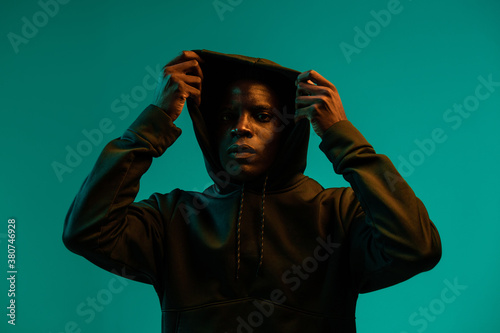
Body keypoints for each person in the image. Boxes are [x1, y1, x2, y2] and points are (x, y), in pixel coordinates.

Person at [63, 49, 442, 332]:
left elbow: (416, 248)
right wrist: (155, 120)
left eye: (262, 116)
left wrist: (340, 134)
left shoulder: (339, 213)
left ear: (290, 128)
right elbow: (87, 231)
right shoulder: (173, 217)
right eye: (227, 116)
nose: (240, 128)